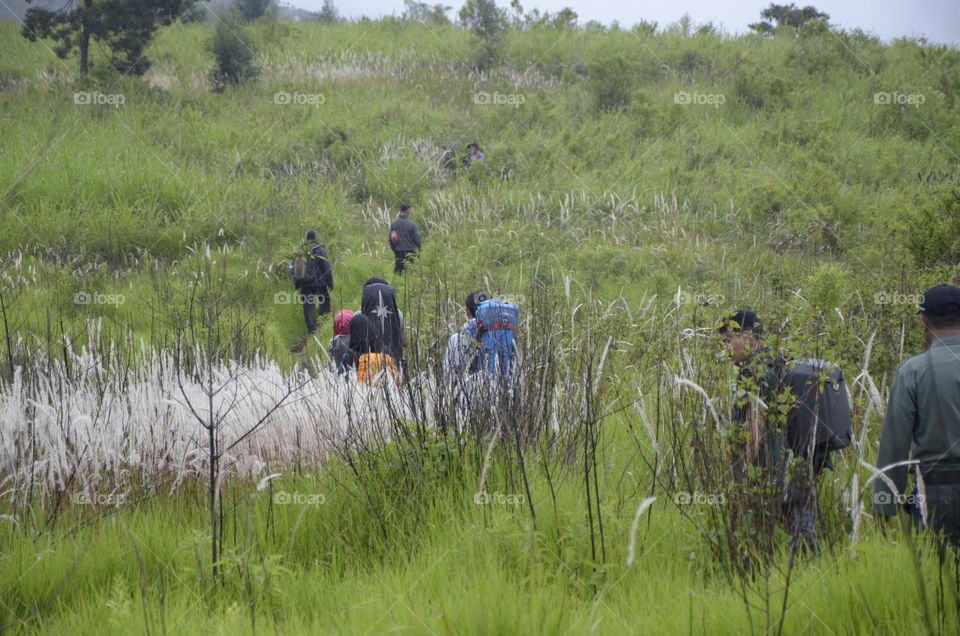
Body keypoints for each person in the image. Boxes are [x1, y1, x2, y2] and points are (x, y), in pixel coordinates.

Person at [719, 309, 824, 553]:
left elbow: (757, 432)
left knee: (773, 536)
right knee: (803, 530)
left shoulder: (755, 373)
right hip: (801, 462)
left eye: (728, 341)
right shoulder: (781, 361)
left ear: (746, 336)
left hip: (775, 470)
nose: (726, 350)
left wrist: (741, 471)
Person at [874, 284, 960, 548]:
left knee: (938, 583)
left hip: (935, 497)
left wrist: (884, 506)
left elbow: (894, 445)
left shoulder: (912, 372)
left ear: (924, 321)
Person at [290, 229, 333, 335]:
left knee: (308, 305)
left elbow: (292, 268)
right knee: (324, 301)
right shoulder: (319, 249)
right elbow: (326, 267)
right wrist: (330, 282)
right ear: (315, 237)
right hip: (319, 282)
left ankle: (312, 330)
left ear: (306, 238)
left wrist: (297, 283)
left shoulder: (300, 250)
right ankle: (324, 325)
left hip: (305, 284)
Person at [345, 312, 401, 387]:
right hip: (387, 394)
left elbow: (344, 382)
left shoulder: (349, 356)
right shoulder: (385, 353)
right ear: (371, 329)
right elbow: (396, 377)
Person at [360, 277, 405, 367]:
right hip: (393, 363)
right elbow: (403, 341)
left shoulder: (358, 316)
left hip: (367, 365)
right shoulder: (397, 314)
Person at [388, 204, 421, 274]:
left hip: (398, 251)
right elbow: (417, 240)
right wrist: (419, 249)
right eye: (410, 210)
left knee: (398, 271)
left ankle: (397, 284)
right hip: (410, 252)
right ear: (407, 211)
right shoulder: (412, 224)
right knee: (410, 271)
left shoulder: (394, 224)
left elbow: (390, 239)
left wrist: (395, 249)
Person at [328, 310, 353, 374]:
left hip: (340, 377)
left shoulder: (333, 342)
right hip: (355, 375)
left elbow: (331, 367)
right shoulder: (356, 338)